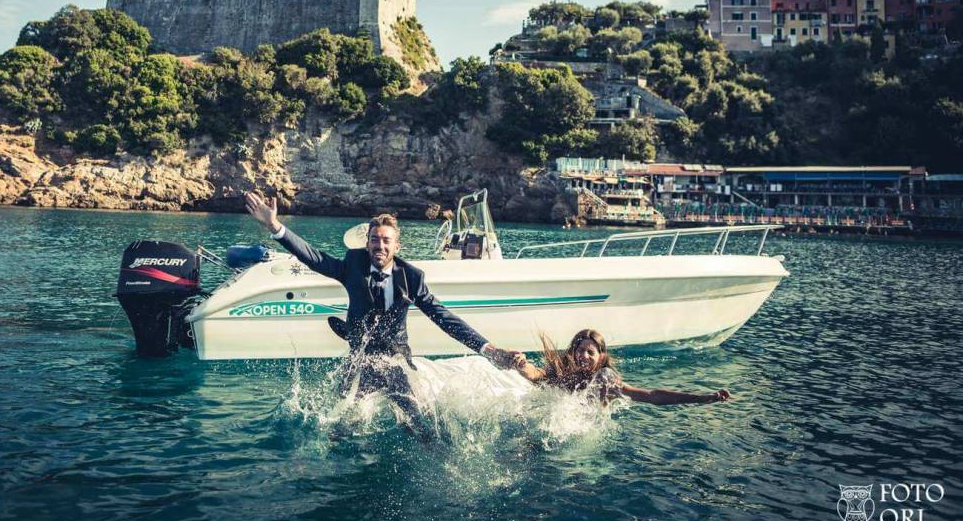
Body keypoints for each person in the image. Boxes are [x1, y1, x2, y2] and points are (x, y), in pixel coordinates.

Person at [243, 191, 519, 428]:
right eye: (375, 239)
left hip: (395, 359)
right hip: (361, 357)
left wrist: (489, 349)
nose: (380, 245)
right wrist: (275, 226)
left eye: (387, 241)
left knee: (416, 422)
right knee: (342, 423)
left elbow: (443, 317)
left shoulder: (412, 277)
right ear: (367, 243)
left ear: (397, 246)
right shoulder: (353, 265)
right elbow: (315, 258)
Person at [508, 329, 731, 406]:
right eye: (579, 350)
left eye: (590, 352)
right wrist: (522, 366)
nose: (582, 356)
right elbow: (537, 375)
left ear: (601, 355)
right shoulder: (565, 371)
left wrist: (704, 397)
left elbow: (652, 396)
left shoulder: (607, 382)